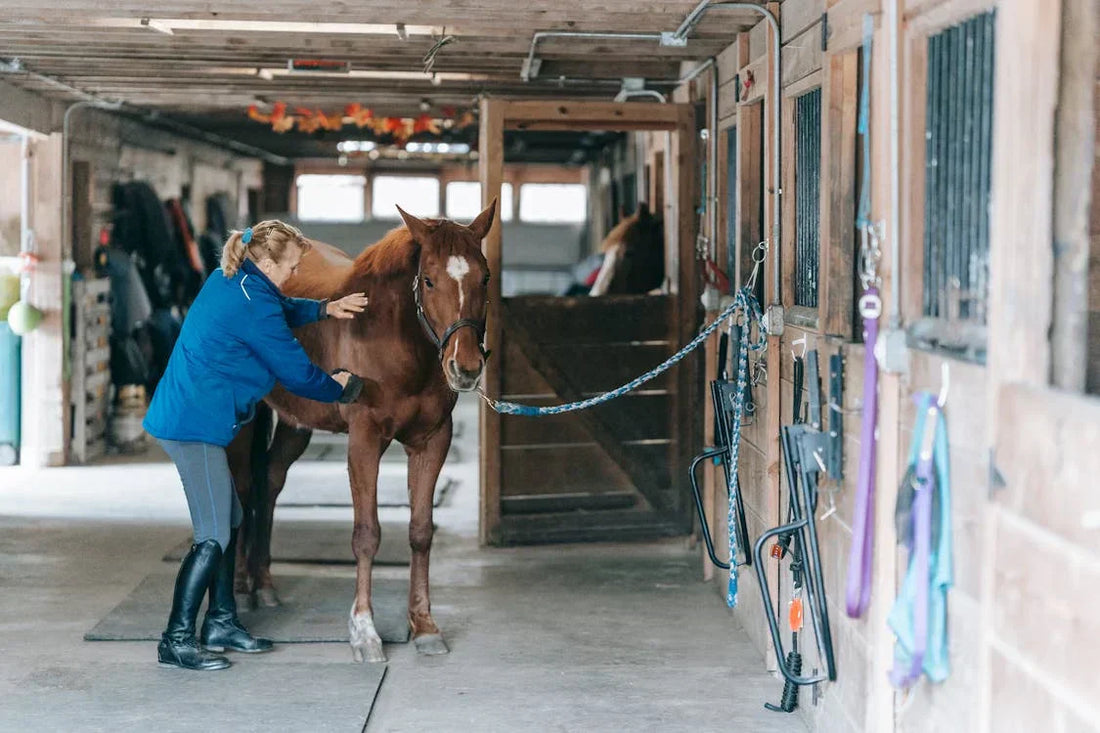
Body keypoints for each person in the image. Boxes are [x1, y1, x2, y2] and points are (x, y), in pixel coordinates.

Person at [143, 220, 369, 671]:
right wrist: (340, 388)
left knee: (229, 518)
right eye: (289, 266)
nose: (292, 274)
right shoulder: (252, 304)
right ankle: (176, 638)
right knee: (212, 534)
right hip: (194, 424)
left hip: (199, 413)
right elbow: (297, 371)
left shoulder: (240, 279)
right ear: (267, 262)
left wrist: (326, 309)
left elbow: (283, 306)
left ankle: (222, 621)